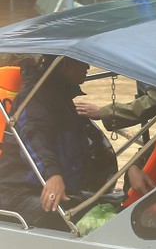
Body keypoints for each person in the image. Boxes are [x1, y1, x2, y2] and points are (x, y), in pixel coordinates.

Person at [0, 56, 92, 231]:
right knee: (69, 223)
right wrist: (52, 175)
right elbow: (33, 136)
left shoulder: (60, 93)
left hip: (48, 187)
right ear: (65, 64)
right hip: (19, 191)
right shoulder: (35, 95)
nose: (88, 66)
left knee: (98, 208)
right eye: (82, 61)